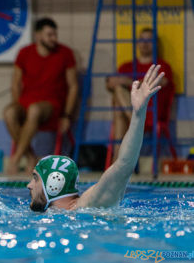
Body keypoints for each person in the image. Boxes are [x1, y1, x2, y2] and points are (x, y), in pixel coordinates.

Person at [27, 64, 164, 212]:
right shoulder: (53, 215)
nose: (29, 185)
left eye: (36, 178)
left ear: (54, 183)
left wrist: (138, 114)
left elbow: (124, 165)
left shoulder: (88, 205)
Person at [3, 18, 79, 175]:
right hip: (26, 104)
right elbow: (15, 84)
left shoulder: (65, 54)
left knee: (34, 110)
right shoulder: (24, 53)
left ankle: (15, 160)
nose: (54, 39)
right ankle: (31, 157)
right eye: (49, 35)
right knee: (9, 112)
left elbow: (73, 86)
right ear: (38, 35)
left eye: (55, 35)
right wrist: (17, 106)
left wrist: (67, 115)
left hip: (51, 106)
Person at [106, 28, 175, 164]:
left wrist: (127, 81)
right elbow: (111, 83)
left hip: (151, 114)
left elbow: (157, 81)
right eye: (142, 39)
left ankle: (116, 164)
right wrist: (113, 82)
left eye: (148, 40)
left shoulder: (162, 66)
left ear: (155, 44)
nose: (144, 43)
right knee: (118, 95)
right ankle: (135, 119)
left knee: (119, 100)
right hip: (129, 114)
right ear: (137, 43)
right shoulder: (126, 66)